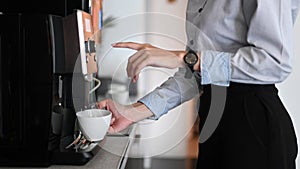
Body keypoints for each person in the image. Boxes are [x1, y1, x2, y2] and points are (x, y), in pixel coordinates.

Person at [97, 0, 300, 168]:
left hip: (254, 125)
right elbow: (195, 74)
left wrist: (186, 58)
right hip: (213, 123)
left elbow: (275, 62)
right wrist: (133, 112)